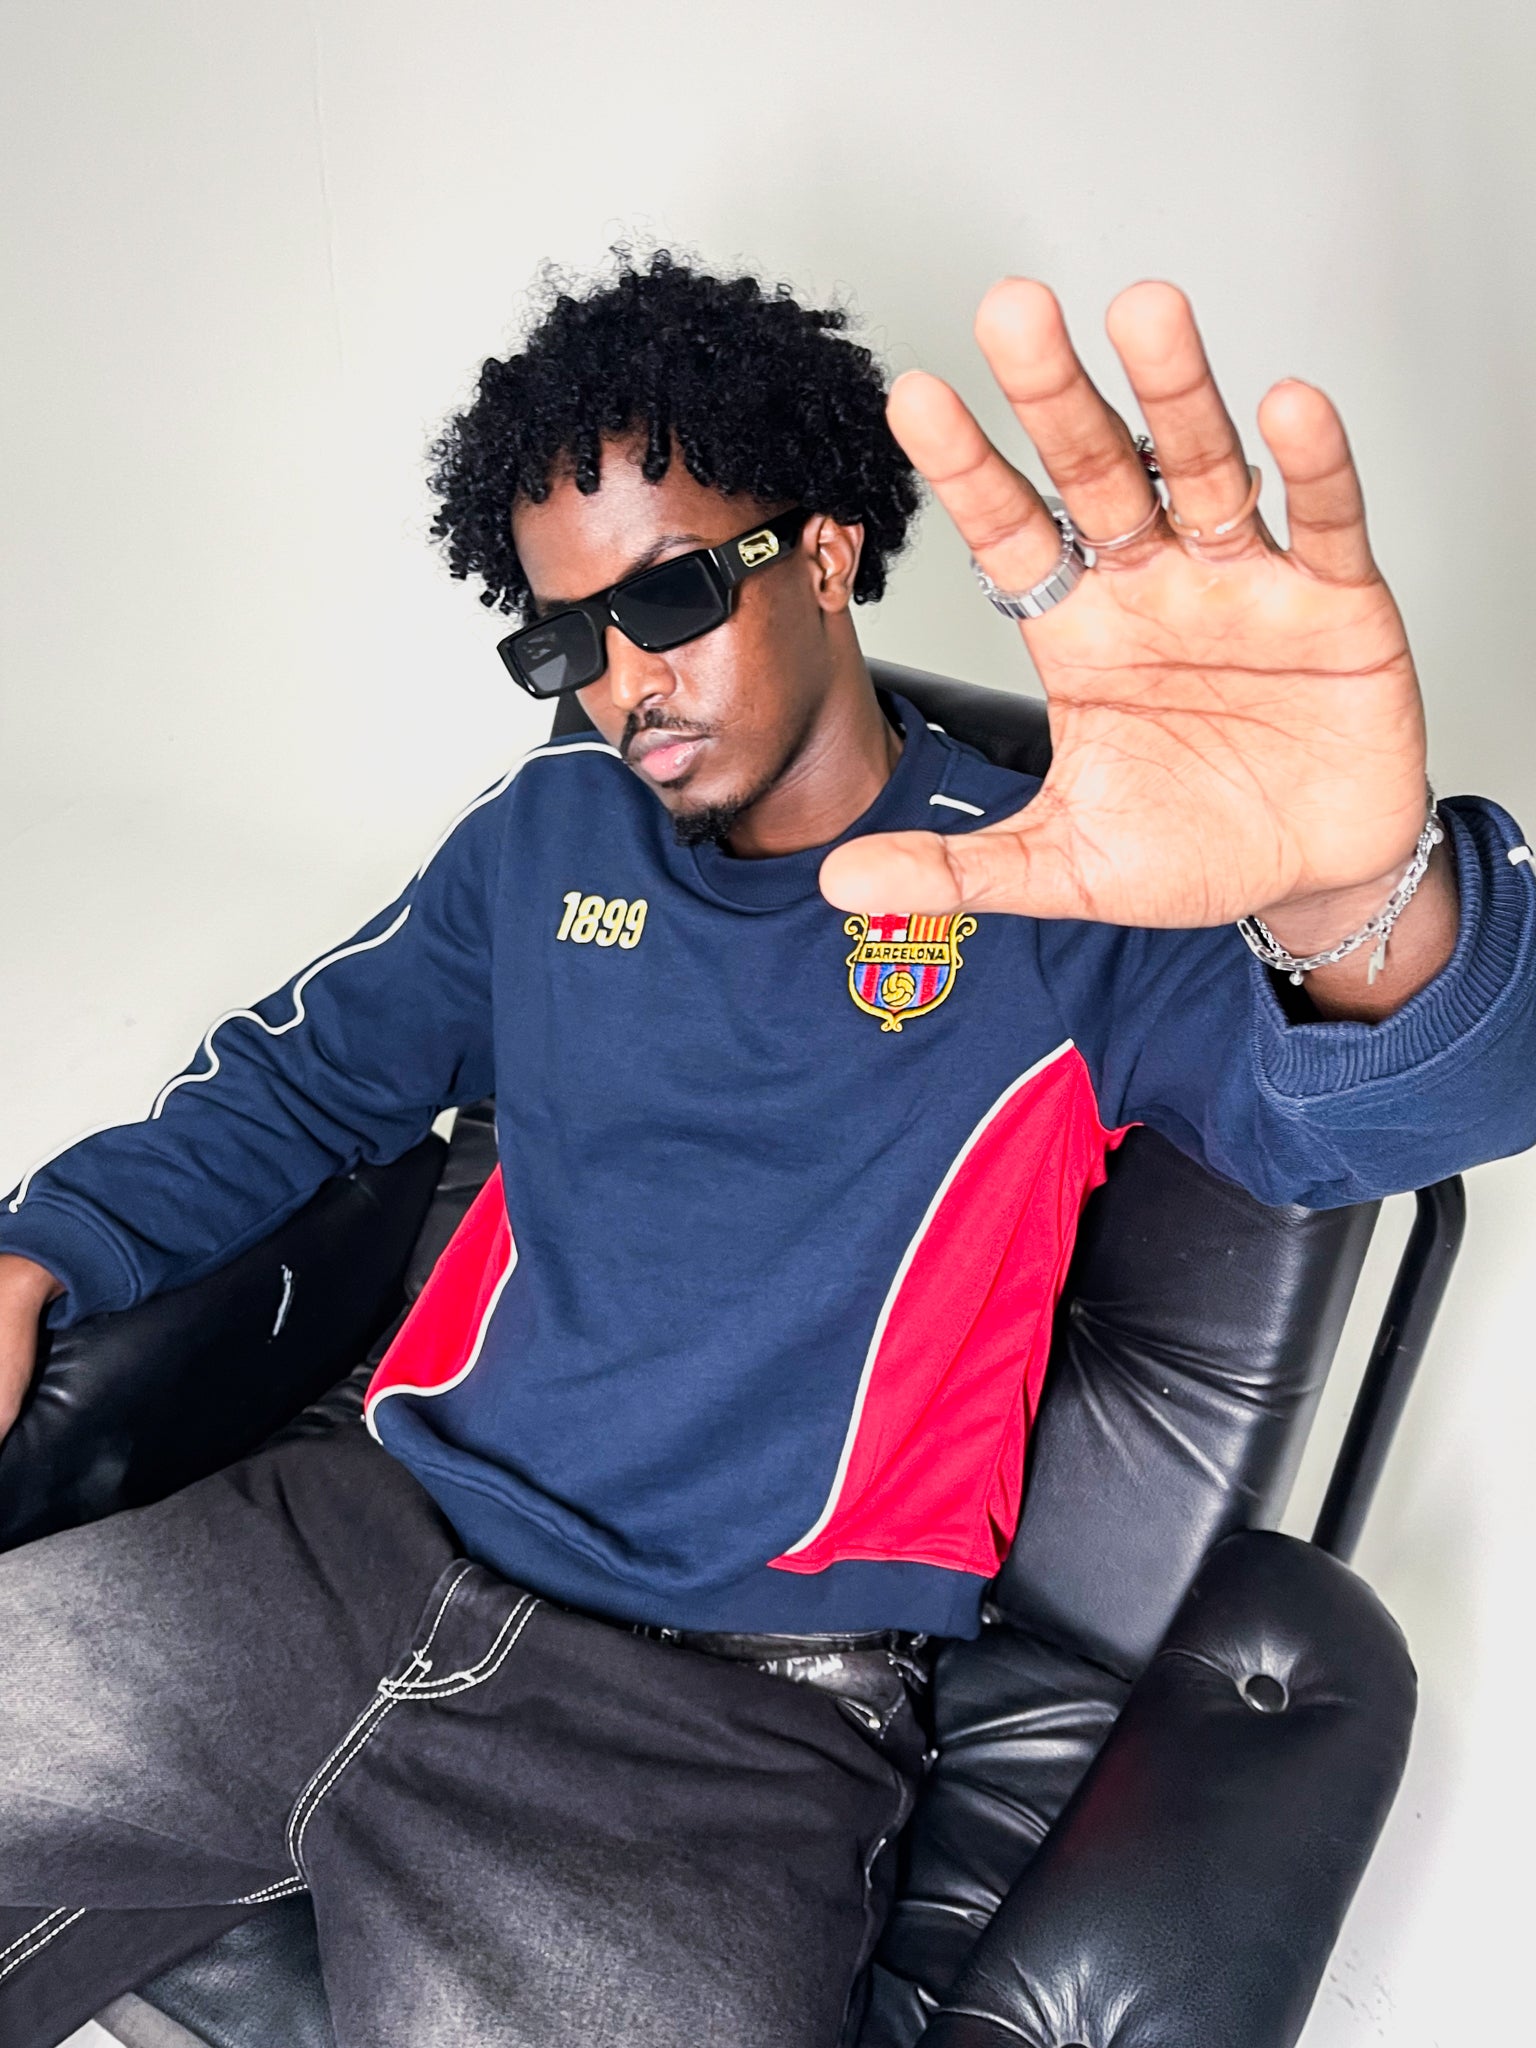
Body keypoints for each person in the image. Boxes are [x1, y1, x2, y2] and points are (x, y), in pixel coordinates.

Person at [0, 251, 1532, 2048]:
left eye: (665, 599)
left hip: (723, 1730)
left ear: (817, 551)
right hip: (346, 1546)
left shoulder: (1060, 884)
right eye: (566, 638)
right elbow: (308, 1078)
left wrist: (1356, 885)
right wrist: (44, 1242)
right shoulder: (544, 835)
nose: (621, 686)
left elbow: (1418, 1107)